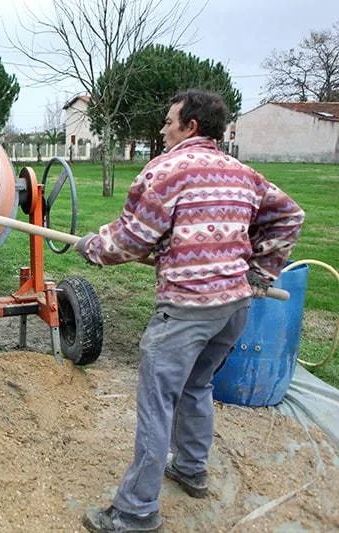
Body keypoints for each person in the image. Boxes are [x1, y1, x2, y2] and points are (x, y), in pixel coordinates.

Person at [74, 89, 304, 532]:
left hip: (187, 309)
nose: (162, 131)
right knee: (197, 385)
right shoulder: (242, 173)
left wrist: (93, 248)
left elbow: (130, 240)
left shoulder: (166, 170)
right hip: (233, 306)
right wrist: (258, 272)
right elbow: (289, 216)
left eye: (168, 122)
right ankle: (192, 469)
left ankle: (135, 510)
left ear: (191, 126)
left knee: (157, 402)